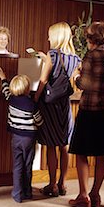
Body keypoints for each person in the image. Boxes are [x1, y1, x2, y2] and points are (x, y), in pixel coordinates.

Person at [68, 21, 104, 207]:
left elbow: (85, 84)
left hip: (89, 110)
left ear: (92, 38)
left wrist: (75, 76)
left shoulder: (92, 56)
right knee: (101, 154)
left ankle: (83, 196)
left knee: (81, 152)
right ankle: (96, 194)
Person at [34, 22, 81, 197]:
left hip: (50, 104)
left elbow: (44, 80)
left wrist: (36, 98)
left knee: (51, 146)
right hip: (65, 105)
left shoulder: (52, 55)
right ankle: (63, 184)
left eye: (50, 35)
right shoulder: (76, 58)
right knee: (64, 145)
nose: (48, 38)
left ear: (56, 36)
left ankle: (52, 185)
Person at [0, 68, 44, 202]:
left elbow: (5, 90)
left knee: (17, 166)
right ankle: (28, 192)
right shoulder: (31, 104)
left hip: (16, 138)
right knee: (28, 165)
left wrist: (3, 78)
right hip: (29, 139)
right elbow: (38, 121)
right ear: (27, 89)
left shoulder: (11, 99)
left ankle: (17, 194)